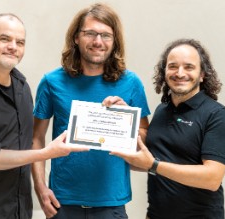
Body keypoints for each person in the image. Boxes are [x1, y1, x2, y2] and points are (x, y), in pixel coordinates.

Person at [0, 13, 88, 219]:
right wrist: (47, 152)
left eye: (20, 42)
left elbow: (21, 145)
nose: (13, 46)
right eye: (5, 39)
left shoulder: (22, 87)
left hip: (17, 211)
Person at [32, 3, 150, 219]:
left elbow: (144, 137)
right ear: (76, 37)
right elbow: (36, 138)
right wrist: (40, 189)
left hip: (111, 203)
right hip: (62, 202)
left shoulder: (131, 83)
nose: (98, 41)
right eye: (90, 33)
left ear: (114, 42)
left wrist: (126, 121)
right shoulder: (51, 82)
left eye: (106, 35)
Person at [110, 39, 225, 219]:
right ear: (164, 72)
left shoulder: (217, 115)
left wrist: (154, 165)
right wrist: (121, 117)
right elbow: (146, 160)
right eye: (173, 66)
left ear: (202, 74)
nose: (180, 73)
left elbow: (212, 178)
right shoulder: (162, 111)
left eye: (189, 67)